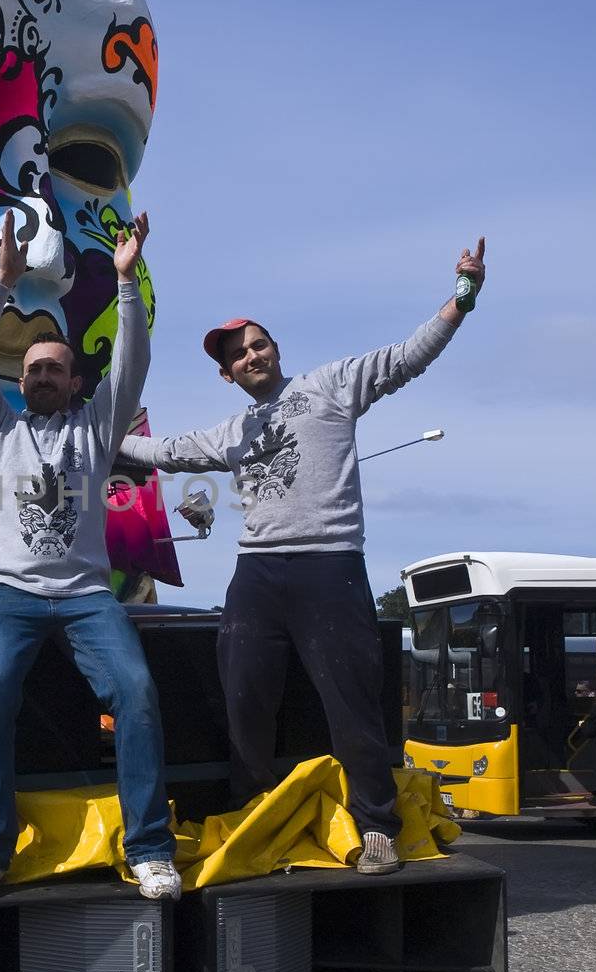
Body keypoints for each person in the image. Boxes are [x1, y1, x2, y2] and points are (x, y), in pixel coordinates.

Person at [117, 240, 488, 875]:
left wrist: (463, 295)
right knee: (244, 700)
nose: (250, 356)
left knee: (352, 703)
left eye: (257, 344)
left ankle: (376, 825)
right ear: (226, 375)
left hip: (329, 566)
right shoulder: (231, 434)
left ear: (276, 349)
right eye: (237, 356)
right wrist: (91, 440)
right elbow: (165, 452)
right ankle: (253, 816)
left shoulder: (332, 386)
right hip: (257, 574)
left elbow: (408, 357)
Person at [0, 211, 179, 903]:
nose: (44, 376)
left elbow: (133, 361)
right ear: (20, 382)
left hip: (86, 597)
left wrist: (126, 277)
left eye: (55, 369)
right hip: (9, 597)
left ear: (76, 381)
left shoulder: (96, 429)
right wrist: (4, 283)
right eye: (33, 370)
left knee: (137, 692)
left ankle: (149, 848)